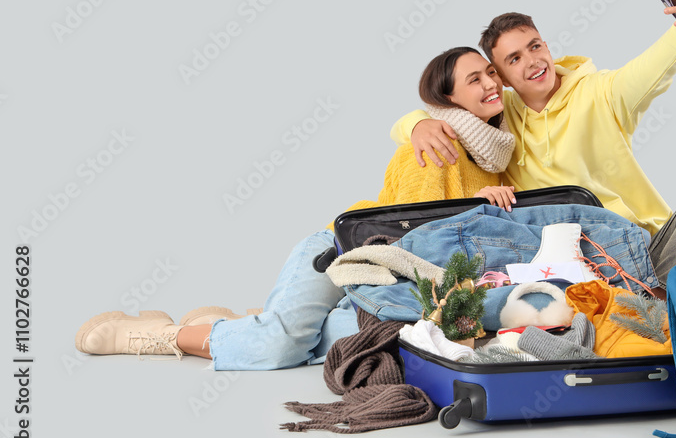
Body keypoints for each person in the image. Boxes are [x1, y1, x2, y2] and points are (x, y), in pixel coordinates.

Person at [75, 47, 519, 365]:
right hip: (346, 250)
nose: (490, 83)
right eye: (473, 80)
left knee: (378, 339)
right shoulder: (435, 144)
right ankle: (159, 335)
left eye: (489, 73)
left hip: (389, 274)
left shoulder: (493, 159)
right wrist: (472, 210)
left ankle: (239, 323)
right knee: (281, 346)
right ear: (448, 99)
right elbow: (411, 234)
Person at [391, 0, 676, 298]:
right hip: (577, 264)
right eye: (515, 59)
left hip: (646, 248)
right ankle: (666, 302)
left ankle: (660, 300)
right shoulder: (499, 120)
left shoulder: (602, 93)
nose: (532, 61)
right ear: (504, 78)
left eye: (535, 47)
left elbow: (653, 68)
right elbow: (446, 114)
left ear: (546, 46)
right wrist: (417, 124)